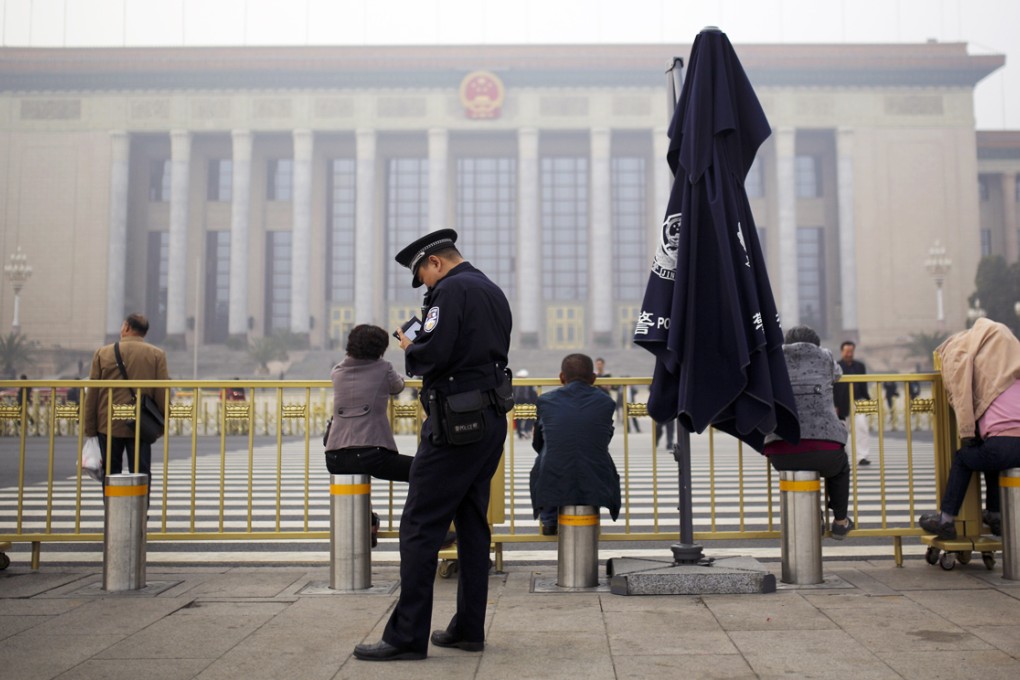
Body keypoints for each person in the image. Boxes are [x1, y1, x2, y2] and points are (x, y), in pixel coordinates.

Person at [353, 228, 512, 662]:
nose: (425, 283)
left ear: (436, 262)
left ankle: (406, 637)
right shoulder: (492, 289)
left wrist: (410, 345)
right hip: (490, 417)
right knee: (473, 524)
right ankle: (467, 628)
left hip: (456, 424)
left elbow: (431, 356)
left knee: (420, 526)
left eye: (423, 274)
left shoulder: (450, 291)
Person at [919, 318, 1020, 540]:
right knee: (992, 460)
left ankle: (945, 520)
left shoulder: (989, 384)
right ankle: (995, 515)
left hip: (1002, 446)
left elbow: (965, 402)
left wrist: (966, 433)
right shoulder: (1014, 376)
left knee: (964, 459)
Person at [325, 324, 414, 548]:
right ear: (380, 349)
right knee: (424, 472)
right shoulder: (383, 369)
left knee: (357, 477)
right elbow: (398, 387)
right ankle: (422, 527)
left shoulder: (336, 371)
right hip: (370, 453)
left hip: (335, 456)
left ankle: (368, 521)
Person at [764, 326, 854, 539]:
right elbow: (838, 374)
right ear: (816, 343)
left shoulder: (773, 358)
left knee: (798, 470)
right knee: (840, 468)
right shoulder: (825, 357)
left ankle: (812, 514)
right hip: (825, 449)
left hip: (780, 449)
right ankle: (840, 521)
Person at [530, 353, 620, 535]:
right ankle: (591, 513)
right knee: (591, 452)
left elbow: (537, 441)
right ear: (594, 379)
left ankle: (549, 519)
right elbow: (604, 437)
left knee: (548, 454)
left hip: (554, 470)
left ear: (561, 377)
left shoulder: (545, 401)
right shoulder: (606, 402)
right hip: (596, 470)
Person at [83, 313, 169, 487]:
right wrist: (161, 423)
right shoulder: (156, 355)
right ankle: (141, 512)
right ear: (143, 333)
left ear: (126, 327)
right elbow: (162, 393)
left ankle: (112, 511)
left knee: (110, 473)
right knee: (141, 472)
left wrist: (90, 428)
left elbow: (92, 393)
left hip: (108, 423)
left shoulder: (103, 353)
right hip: (141, 424)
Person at [833, 340, 871, 466]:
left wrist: (867, 400)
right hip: (841, 403)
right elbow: (833, 387)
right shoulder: (836, 366)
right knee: (842, 430)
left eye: (851, 351)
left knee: (862, 427)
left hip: (858, 401)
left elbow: (863, 385)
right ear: (842, 351)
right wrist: (834, 405)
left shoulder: (860, 366)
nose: (849, 354)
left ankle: (862, 456)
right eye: (847, 351)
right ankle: (842, 457)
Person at [512, 369, 537, 440]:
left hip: (519, 403)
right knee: (530, 416)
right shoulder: (529, 384)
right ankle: (525, 431)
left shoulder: (515, 384)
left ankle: (522, 432)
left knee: (521, 417)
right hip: (527, 403)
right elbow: (533, 394)